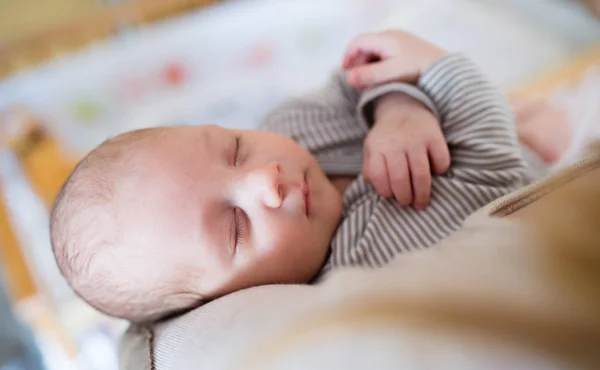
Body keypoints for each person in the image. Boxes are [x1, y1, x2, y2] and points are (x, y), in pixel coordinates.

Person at [50, 30, 540, 323]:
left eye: (233, 148)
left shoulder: (290, 125)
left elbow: (362, 72)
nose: (267, 178)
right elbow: (493, 167)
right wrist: (431, 74)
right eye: (236, 227)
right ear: (228, 302)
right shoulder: (364, 269)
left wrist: (398, 107)